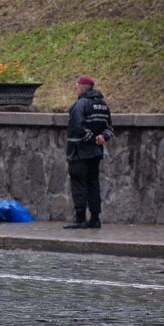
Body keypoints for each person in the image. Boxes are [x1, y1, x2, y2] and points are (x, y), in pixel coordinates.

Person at [64, 76, 114, 229]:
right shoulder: (103, 105)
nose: (76, 90)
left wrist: (92, 139)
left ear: (81, 88)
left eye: (76, 87)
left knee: (79, 184)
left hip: (79, 151)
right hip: (95, 153)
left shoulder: (80, 104)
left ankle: (80, 218)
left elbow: (77, 127)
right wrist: (102, 138)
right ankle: (95, 218)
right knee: (93, 184)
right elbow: (110, 128)